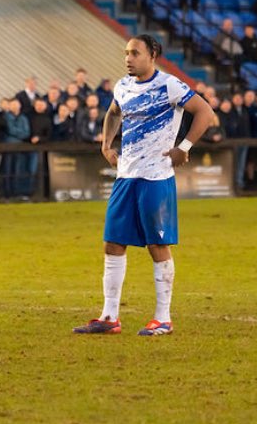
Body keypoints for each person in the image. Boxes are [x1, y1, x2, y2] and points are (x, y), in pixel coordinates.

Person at [73, 35, 211, 337]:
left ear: (153, 55)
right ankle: (109, 316)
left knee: (156, 245)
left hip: (156, 178)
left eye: (135, 53)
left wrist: (184, 145)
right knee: (113, 242)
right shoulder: (122, 86)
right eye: (126, 53)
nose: (128, 58)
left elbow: (206, 113)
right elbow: (113, 113)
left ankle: (163, 318)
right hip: (126, 176)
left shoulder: (169, 85)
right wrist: (106, 144)